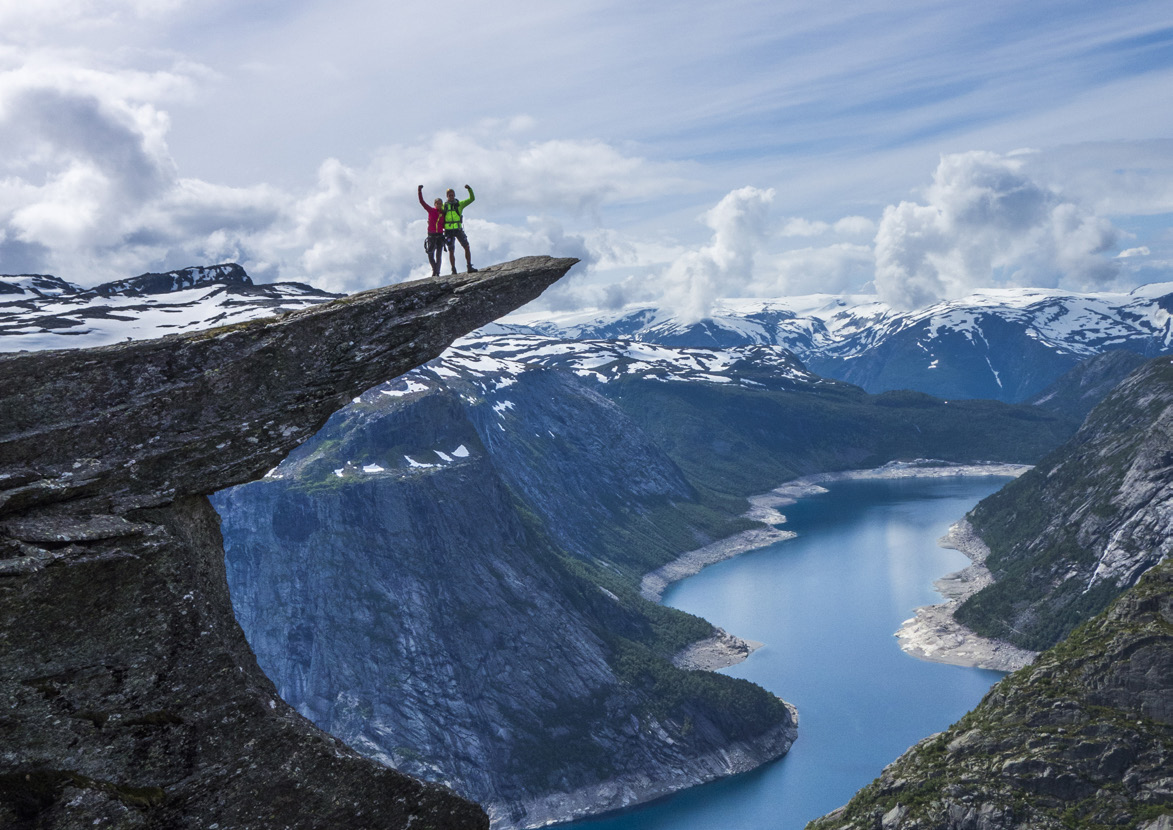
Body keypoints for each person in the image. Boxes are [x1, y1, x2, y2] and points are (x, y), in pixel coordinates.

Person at [443, 185, 477, 274]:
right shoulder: (443, 206)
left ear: (454, 195)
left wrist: (469, 189)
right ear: (447, 196)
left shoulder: (459, 204)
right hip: (448, 231)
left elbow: (472, 199)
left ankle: (469, 266)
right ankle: (453, 270)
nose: (451, 196)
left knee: (467, 246)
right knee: (451, 250)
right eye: (449, 195)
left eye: (452, 195)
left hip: (458, 229)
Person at [418, 185, 446, 277]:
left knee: (439, 255)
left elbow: (445, 224)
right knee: (430, 254)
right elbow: (422, 202)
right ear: (435, 204)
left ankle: (437, 272)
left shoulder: (443, 213)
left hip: (440, 236)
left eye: (440, 203)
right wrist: (419, 191)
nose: (439, 205)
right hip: (431, 235)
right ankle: (435, 269)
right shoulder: (431, 210)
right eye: (437, 203)